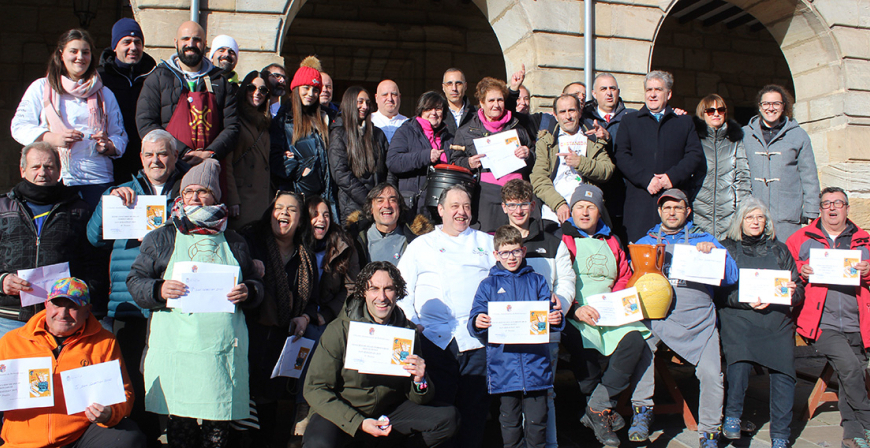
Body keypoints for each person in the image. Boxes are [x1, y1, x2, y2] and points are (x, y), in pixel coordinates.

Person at [126, 158, 264, 447]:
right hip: (180, 350)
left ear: (215, 196)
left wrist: (249, 291)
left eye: (203, 191)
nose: (195, 198)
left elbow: (256, 284)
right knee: (181, 430)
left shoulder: (235, 240)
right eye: (189, 192)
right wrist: (159, 288)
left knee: (217, 430)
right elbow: (135, 281)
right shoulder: (161, 237)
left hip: (220, 352)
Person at [86, 129, 186, 447]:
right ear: (141, 159)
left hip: (174, 303)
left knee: (173, 377)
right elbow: (93, 238)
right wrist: (108, 206)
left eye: (163, 154)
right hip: (128, 303)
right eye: (149, 155)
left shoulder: (188, 194)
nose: (156, 160)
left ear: (174, 158)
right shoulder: (122, 192)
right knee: (134, 378)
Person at [303, 261, 459, 448]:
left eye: (389, 289)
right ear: (363, 292)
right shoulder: (340, 330)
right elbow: (315, 388)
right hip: (343, 411)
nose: (382, 297)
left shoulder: (407, 331)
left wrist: (420, 380)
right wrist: (357, 422)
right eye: (374, 289)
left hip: (388, 412)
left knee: (448, 418)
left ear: (398, 292)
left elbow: (419, 398)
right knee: (318, 443)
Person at [628, 188, 738, 448]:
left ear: (687, 211)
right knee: (640, 347)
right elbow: (631, 280)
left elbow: (732, 276)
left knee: (712, 372)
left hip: (699, 318)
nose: (672, 212)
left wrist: (713, 253)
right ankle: (642, 412)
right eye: (667, 208)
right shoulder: (645, 241)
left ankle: (710, 431)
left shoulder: (704, 238)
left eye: (677, 207)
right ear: (659, 212)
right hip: (657, 315)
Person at [398, 184, 496, 448]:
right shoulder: (421, 245)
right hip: (434, 339)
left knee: (474, 412)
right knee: (440, 411)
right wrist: (412, 321)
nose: (461, 212)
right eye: (454, 206)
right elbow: (401, 289)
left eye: (466, 206)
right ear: (440, 210)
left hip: (477, 339)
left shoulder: (487, 242)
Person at [0, 277, 145, 448]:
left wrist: (109, 413)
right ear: (46, 305)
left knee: (128, 436)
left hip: (79, 436)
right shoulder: (11, 341)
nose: (62, 314)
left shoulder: (105, 341)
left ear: (87, 310)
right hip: (22, 440)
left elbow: (124, 393)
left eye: (73, 307)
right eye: (57, 304)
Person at [558, 184, 650, 447]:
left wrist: (616, 300)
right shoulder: (562, 238)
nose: (585, 213)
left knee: (634, 340)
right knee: (582, 347)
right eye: (579, 207)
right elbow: (560, 278)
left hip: (609, 308)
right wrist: (575, 307)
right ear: (571, 211)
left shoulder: (612, 240)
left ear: (600, 212)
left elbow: (623, 275)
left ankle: (598, 406)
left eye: (591, 207)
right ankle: (601, 413)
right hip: (577, 309)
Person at [787, 187, 870, 448]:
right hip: (821, 323)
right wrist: (802, 271)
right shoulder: (800, 238)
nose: (832, 208)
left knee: (852, 372)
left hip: (857, 322)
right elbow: (784, 274)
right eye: (826, 203)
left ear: (847, 208)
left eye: (838, 203)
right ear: (820, 209)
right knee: (850, 368)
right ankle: (868, 420)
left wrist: (868, 271)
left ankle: (852, 435)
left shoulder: (865, 240)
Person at [717, 198, 802, 448]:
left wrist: (790, 292)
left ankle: (781, 434)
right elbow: (720, 293)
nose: (755, 222)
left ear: (766, 222)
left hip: (775, 317)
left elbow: (798, 293)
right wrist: (746, 302)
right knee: (740, 360)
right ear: (740, 221)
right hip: (738, 315)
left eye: (760, 217)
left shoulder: (780, 250)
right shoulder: (726, 248)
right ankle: (732, 415)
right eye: (749, 217)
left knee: (784, 367)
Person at [469, 225, 564, 448]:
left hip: (536, 366)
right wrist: (477, 322)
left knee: (537, 423)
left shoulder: (538, 281)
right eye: (505, 252)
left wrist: (556, 320)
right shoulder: (488, 285)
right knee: (510, 426)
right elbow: (475, 316)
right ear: (496, 255)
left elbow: (550, 315)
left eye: (515, 251)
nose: (511, 257)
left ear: (523, 250)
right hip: (504, 368)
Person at [11, 28, 128, 209]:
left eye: (85, 52)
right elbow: (18, 127)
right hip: (57, 179)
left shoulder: (105, 93)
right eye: (73, 51)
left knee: (93, 235)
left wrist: (108, 146)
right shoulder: (41, 88)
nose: (80, 57)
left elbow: (120, 137)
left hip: (97, 179)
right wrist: (53, 138)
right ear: (61, 54)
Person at [238, 190, 316, 446]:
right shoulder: (250, 242)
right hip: (249, 337)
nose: (284, 213)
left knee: (268, 416)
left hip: (281, 344)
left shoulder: (305, 256)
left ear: (301, 220)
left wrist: (305, 315)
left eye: (291, 209)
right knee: (242, 416)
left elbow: (313, 297)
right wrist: (248, 265)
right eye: (278, 207)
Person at [500, 179, 573, 448]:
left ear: (533, 206)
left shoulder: (553, 242)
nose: (518, 211)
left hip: (545, 331)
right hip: (508, 333)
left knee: (544, 393)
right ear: (504, 207)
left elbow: (566, 280)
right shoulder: (496, 243)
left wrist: (559, 306)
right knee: (511, 395)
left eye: (523, 204)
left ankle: (548, 445)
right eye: (512, 205)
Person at [0, 142, 98, 336]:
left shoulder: (79, 209)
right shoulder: (2, 208)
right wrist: (2, 281)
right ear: (22, 170)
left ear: (59, 171)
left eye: (49, 166)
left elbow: (93, 262)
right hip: (10, 317)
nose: (42, 172)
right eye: (35, 167)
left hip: (61, 317)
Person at [291, 195, 361, 439]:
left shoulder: (343, 244)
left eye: (326, 214)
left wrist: (327, 313)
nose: (321, 220)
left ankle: (306, 407)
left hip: (330, 315)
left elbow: (352, 290)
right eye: (315, 214)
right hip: (299, 311)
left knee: (320, 338)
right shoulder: (296, 244)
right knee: (307, 335)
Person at [614, 70, 705, 243]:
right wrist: (647, 179)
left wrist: (671, 177)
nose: (653, 94)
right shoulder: (630, 121)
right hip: (640, 202)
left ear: (669, 94)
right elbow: (621, 155)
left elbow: (694, 155)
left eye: (658, 90)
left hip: (673, 200)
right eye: (649, 90)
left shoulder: (683, 122)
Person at [136, 20, 238, 167]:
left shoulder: (220, 80)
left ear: (204, 44)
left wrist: (210, 153)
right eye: (185, 39)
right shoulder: (158, 78)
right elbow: (146, 123)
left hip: (210, 165)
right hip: (169, 166)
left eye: (197, 40)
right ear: (176, 42)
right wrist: (181, 151)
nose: (191, 44)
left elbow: (232, 126)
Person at [451, 77, 534, 233]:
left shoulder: (518, 127)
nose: (496, 105)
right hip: (485, 193)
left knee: (516, 237)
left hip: (517, 194)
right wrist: (468, 162)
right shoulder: (466, 131)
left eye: (500, 100)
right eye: (491, 101)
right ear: (481, 103)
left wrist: (528, 154)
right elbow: (454, 161)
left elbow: (533, 159)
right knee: (488, 238)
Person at [745, 84, 820, 242]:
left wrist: (812, 211)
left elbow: (809, 176)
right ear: (759, 106)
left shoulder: (799, 135)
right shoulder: (745, 134)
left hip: (787, 214)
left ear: (783, 106)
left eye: (776, 104)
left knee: (785, 261)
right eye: (766, 103)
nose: (770, 108)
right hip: (752, 214)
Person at [531, 93, 613, 227]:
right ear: (555, 116)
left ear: (580, 112)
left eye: (572, 110)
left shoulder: (593, 138)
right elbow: (538, 179)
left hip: (587, 214)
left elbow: (607, 170)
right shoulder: (546, 141)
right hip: (554, 212)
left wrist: (581, 163)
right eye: (563, 112)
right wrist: (559, 204)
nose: (568, 116)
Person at [270, 57, 335, 212]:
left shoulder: (324, 118)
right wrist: (301, 171)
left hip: (324, 196)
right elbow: (274, 158)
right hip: (297, 195)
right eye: (306, 88)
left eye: (315, 90)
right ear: (296, 88)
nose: (310, 94)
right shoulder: (283, 120)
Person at [98, 18, 157, 183]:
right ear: (115, 46)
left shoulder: (153, 76)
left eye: (138, 42)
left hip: (144, 159)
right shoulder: (100, 78)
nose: (133, 48)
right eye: (127, 42)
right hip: (110, 159)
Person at [583, 73, 636, 243]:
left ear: (618, 91)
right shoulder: (584, 119)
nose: (609, 93)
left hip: (624, 194)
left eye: (612, 88)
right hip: (594, 192)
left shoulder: (633, 117)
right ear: (594, 93)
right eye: (603, 88)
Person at [691, 94, 751, 240]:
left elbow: (743, 177)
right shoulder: (693, 139)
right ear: (702, 114)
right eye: (711, 110)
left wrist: (741, 210)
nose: (716, 113)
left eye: (720, 109)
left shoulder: (735, 141)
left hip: (729, 217)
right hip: (698, 214)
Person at [328, 86, 391, 224]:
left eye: (368, 103)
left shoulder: (377, 134)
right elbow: (341, 173)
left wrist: (386, 198)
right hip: (352, 208)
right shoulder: (339, 134)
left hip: (379, 206)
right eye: (360, 102)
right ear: (350, 103)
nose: (365, 106)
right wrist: (368, 200)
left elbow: (388, 168)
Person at [386, 91, 454, 215]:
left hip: (441, 208)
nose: (433, 113)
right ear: (421, 111)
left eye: (438, 109)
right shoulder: (406, 131)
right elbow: (393, 161)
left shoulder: (449, 138)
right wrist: (426, 156)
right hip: (413, 207)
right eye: (429, 109)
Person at [223, 71, 271, 230]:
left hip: (262, 199)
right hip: (242, 199)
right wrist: (232, 198)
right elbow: (227, 163)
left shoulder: (265, 122)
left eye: (263, 90)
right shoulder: (235, 119)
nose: (258, 93)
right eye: (252, 88)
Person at [345, 183, 433, 266]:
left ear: (399, 207)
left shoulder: (416, 239)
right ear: (371, 208)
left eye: (392, 200)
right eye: (380, 200)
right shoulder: (355, 239)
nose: (387, 205)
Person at [442, 68, 474, 135]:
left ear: (465, 86)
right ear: (443, 87)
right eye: (449, 83)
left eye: (458, 83)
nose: (454, 88)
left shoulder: (477, 114)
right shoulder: (437, 115)